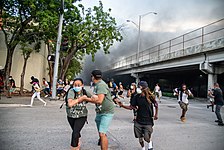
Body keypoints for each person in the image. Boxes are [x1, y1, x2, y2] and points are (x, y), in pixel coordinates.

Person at [116, 81, 158, 150]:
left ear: (144, 88)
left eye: (139, 87)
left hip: (148, 121)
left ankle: (149, 142)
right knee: (140, 138)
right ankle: (143, 148)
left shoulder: (150, 96)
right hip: (138, 121)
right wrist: (122, 105)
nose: (138, 88)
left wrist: (156, 114)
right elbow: (131, 107)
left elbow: (156, 104)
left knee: (146, 137)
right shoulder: (136, 97)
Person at [82, 70, 114, 150]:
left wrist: (86, 99)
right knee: (102, 134)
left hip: (106, 112)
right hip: (100, 112)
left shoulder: (101, 85)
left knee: (102, 134)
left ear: (93, 77)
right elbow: (95, 97)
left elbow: (99, 100)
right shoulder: (97, 85)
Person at [66, 78, 92, 150]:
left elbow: (94, 98)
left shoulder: (84, 92)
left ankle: (74, 147)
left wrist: (89, 98)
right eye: (75, 85)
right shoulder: (71, 91)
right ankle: (78, 138)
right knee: (75, 131)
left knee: (75, 133)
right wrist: (80, 99)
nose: (77, 86)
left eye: (78, 85)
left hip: (82, 115)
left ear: (82, 85)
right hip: (71, 115)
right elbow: (70, 104)